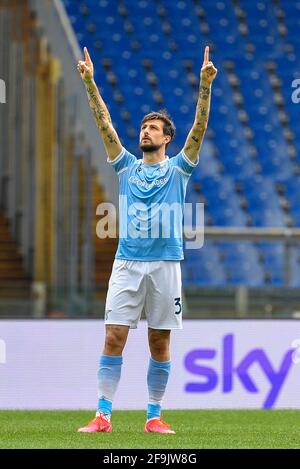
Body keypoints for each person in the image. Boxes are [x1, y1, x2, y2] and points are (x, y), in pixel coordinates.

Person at [76, 46, 217, 434]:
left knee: (159, 342)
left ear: (167, 138)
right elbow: (103, 121)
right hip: (127, 262)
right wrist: (90, 83)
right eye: (143, 126)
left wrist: (204, 87)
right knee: (114, 334)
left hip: (166, 264)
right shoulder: (124, 166)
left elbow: (199, 129)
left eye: (153, 127)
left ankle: (154, 416)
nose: (145, 130)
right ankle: (103, 415)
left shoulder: (179, 169)